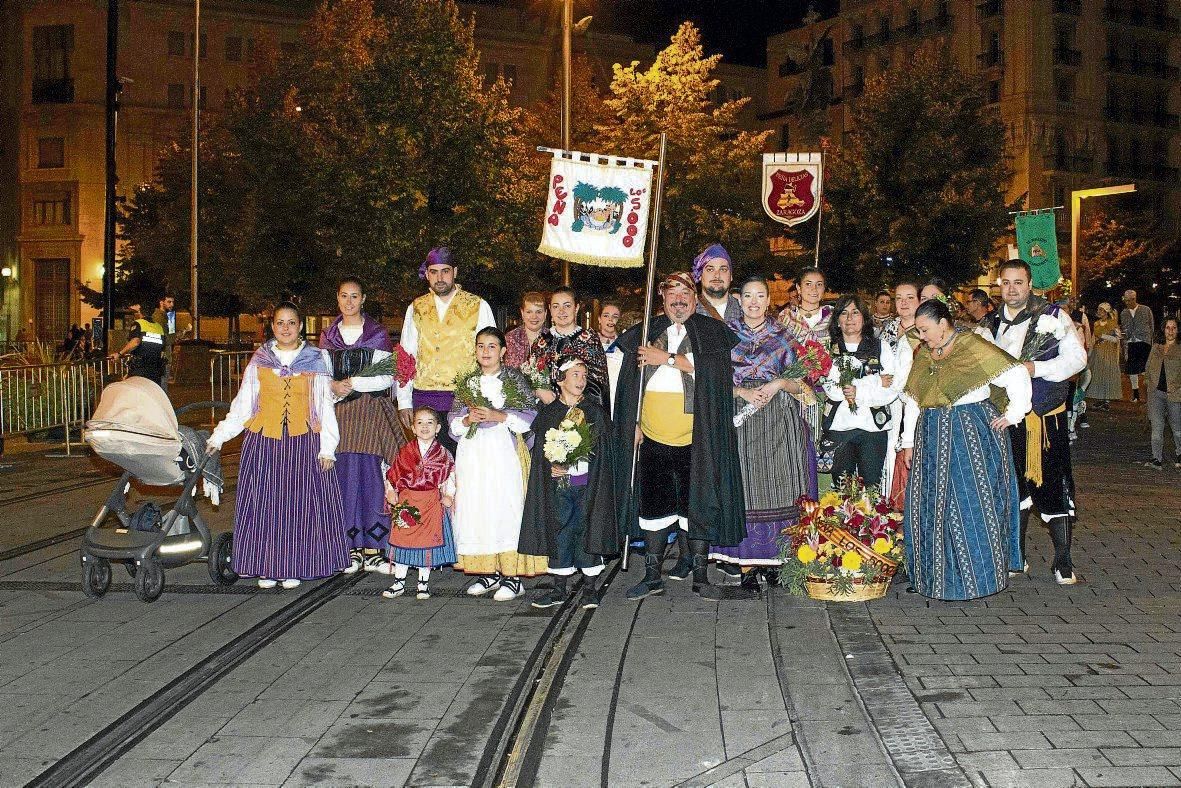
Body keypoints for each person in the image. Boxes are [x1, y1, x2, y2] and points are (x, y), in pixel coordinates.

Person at [612, 271, 745, 601]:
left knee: (695, 505)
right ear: (663, 299)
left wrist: (667, 359)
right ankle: (653, 576)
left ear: (695, 297)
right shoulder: (647, 330)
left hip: (695, 438)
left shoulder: (710, 332)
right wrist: (634, 422)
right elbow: (629, 385)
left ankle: (700, 575)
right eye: (672, 295)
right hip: (653, 437)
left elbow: (712, 373)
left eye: (685, 294)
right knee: (654, 506)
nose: (679, 300)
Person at [207, 302, 348, 588]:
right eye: (280, 323)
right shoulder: (260, 360)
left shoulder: (316, 359)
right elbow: (243, 405)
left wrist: (327, 448)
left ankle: (293, 565)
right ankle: (267, 566)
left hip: (302, 442)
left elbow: (323, 406)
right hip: (264, 442)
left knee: (297, 507)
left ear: (300, 327)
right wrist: (218, 437)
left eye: (292, 323)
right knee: (265, 505)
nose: (286, 328)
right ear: (272, 327)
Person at [898, 299, 1031, 600]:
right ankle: (934, 579)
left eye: (925, 329)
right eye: (918, 331)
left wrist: (1014, 413)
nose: (922, 336)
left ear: (943, 324)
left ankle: (977, 580)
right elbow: (913, 400)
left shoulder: (971, 346)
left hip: (969, 433)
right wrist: (908, 442)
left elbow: (1016, 373)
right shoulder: (925, 355)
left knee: (973, 506)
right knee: (932, 506)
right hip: (931, 434)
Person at [978, 260, 1088, 585]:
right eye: (1006, 283)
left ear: (1029, 284)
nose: (1012, 289)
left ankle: (1063, 560)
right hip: (1005, 419)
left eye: (1018, 282)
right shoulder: (989, 325)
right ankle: (1016, 555)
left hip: (1043, 420)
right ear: (999, 285)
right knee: (1013, 487)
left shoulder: (1053, 317)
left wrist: (1036, 369)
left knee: (1052, 485)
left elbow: (1078, 359)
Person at [710, 277, 815, 592]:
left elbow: (803, 386)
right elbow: (711, 380)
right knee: (745, 489)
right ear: (738, 300)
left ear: (769, 300)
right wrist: (741, 390)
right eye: (747, 296)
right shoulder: (725, 337)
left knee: (779, 487)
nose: (753, 302)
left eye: (760, 296)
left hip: (777, 422)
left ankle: (776, 561)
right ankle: (746, 566)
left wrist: (779, 383)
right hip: (740, 422)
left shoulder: (784, 338)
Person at [448, 327, 545, 601]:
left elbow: (530, 416)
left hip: (503, 452)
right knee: (478, 508)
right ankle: (488, 570)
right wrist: (467, 420)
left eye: (492, 346)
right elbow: (453, 422)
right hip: (474, 453)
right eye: (481, 346)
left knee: (506, 507)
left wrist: (497, 415)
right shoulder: (468, 383)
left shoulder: (514, 379)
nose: (486, 351)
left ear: (503, 351)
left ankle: (512, 576)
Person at [319, 277, 408, 575]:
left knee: (371, 477)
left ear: (363, 299)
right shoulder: (328, 336)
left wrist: (351, 383)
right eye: (344, 296)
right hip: (340, 415)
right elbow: (320, 376)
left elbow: (386, 377)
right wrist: (332, 386)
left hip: (370, 413)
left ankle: (375, 549)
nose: (349, 302)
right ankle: (349, 548)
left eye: (354, 296)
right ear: (337, 298)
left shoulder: (377, 334)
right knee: (344, 478)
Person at [520, 356, 618, 610]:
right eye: (575, 375)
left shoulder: (593, 411)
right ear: (561, 380)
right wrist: (550, 467)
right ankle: (559, 587)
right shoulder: (550, 413)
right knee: (560, 530)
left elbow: (603, 450)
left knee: (586, 528)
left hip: (587, 485)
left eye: (584, 376)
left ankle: (589, 588)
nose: (581, 380)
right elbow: (540, 450)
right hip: (559, 488)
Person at [398, 247, 496, 454]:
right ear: (426, 274)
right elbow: (405, 357)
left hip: (465, 398)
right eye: (434, 272)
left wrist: (489, 396)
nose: (440, 277)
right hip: (425, 398)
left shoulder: (478, 305)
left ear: (455, 272)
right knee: (429, 461)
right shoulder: (416, 308)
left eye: (445, 271)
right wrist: (403, 401)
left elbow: (491, 355)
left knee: (465, 460)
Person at [822, 295, 898, 488]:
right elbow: (833, 390)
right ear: (837, 320)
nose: (850, 318)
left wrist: (859, 389)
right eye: (844, 313)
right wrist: (874, 381)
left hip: (872, 428)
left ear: (864, 318)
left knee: (871, 487)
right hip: (839, 427)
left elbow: (891, 389)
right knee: (841, 489)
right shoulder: (827, 351)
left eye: (855, 312)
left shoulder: (881, 347)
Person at [383, 407, 457, 600]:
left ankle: (423, 584)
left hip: (431, 503)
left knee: (427, 544)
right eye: (420, 423)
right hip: (407, 501)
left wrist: (449, 495)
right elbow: (392, 475)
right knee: (402, 541)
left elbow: (451, 476)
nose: (425, 427)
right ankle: (399, 582)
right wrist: (391, 491)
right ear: (413, 428)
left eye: (430, 422)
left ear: (438, 427)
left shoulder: (444, 454)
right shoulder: (405, 452)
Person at [526, 287, 611, 417]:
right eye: (556, 306)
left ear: (576, 308)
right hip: (545, 414)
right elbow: (528, 378)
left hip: (580, 415)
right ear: (549, 309)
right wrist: (538, 391)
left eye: (567, 306)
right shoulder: (541, 342)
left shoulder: (589, 340)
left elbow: (598, 386)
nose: (561, 311)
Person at [881, 281, 921, 510]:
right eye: (899, 298)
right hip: (889, 402)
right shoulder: (886, 329)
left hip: (916, 401)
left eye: (909, 298)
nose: (903, 303)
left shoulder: (926, 328)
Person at [1145, 317, 1181, 469]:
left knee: (1177, 428)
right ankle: (1156, 458)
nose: (1171, 331)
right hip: (1156, 393)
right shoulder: (1156, 347)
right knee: (1157, 427)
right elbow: (1148, 367)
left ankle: (1179, 453)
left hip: (1175, 394)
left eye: (1173, 328)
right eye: (1168, 327)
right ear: (1163, 329)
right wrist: (1149, 383)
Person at [109, 304, 167, 387]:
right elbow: (162, 348)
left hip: (141, 367)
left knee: (135, 390)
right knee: (151, 392)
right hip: (156, 368)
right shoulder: (159, 327)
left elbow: (135, 342)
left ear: (140, 312)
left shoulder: (138, 323)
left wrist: (119, 354)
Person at [693, 244, 742, 323]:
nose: (717, 275)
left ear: (731, 276)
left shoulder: (745, 311)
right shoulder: (688, 311)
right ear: (699, 275)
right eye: (710, 270)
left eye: (723, 269)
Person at [1121, 289, 1154, 403]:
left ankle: (1149, 394)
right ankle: (1135, 394)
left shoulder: (1146, 310)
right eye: (1125, 301)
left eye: (1129, 301)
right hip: (1131, 342)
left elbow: (1151, 325)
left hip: (1144, 342)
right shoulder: (1124, 313)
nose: (1127, 303)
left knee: (1146, 369)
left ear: (1134, 299)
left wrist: (1150, 340)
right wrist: (1124, 336)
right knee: (1132, 370)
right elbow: (1124, 328)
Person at [1088, 302, 1122, 409]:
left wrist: (1104, 337)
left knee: (1107, 374)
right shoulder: (1096, 324)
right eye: (1098, 310)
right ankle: (1099, 398)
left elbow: (1118, 338)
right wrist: (1090, 351)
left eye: (1101, 310)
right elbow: (1093, 338)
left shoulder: (1112, 323)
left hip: (1108, 352)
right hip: (1098, 352)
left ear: (1106, 312)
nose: (1099, 312)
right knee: (1098, 374)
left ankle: (1106, 399)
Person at [152, 294, 188, 386]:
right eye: (169, 302)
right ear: (161, 302)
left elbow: (170, 336)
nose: (172, 304)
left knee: (163, 384)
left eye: (173, 302)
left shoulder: (167, 316)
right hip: (162, 357)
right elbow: (165, 338)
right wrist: (183, 332)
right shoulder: (158, 317)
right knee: (162, 385)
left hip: (164, 356)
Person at [506, 291, 547, 368]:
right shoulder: (510, 338)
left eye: (538, 312)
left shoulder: (554, 339)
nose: (534, 317)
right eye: (529, 312)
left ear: (545, 314)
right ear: (522, 313)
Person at [598, 300, 625, 412]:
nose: (610, 320)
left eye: (615, 316)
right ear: (599, 319)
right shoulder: (589, 342)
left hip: (618, 397)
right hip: (597, 397)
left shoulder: (625, 344)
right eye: (606, 316)